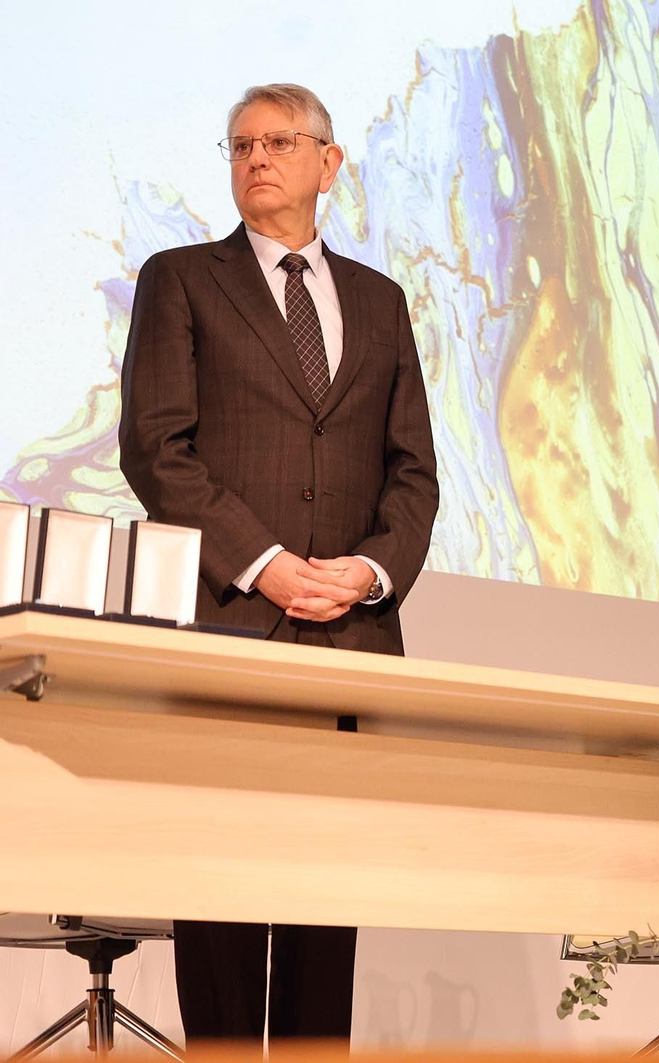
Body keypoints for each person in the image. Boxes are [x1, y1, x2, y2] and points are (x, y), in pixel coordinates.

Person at [118, 83, 439, 1044]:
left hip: (350, 638)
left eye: (280, 141)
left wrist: (368, 572)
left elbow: (413, 472)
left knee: (322, 903)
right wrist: (262, 562)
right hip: (229, 625)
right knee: (220, 895)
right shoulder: (179, 279)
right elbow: (155, 448)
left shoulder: (381, 302)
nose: (257, 157)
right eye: (242, 144)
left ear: (330, 164)